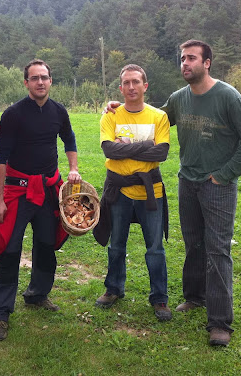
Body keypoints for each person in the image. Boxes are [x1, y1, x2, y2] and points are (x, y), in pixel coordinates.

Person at [106, 39, 241, 347]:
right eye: (182, 59)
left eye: (191, 58)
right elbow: (153, 118)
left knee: (217, 250)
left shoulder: (228, 96)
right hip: (187, 182)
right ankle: (194, 297)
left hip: (217, 185)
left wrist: (225, 174)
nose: (185, 64)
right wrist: (120, 108)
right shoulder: (180, 98)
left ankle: (220, 323)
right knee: (193, 243)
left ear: (207, 63)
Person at [0, 59, 82, 342]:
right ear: (26, 82)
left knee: (46, 243)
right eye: (35, 78)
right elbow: (1, 157)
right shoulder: (14, 114)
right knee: (9, 248)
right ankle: (0, 312)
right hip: (17, 191)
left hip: (48, 190)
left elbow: (69, 139)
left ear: (51, 81)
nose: (40, 82)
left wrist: (73, 168)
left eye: (45, 77)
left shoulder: (58, 111)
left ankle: (38, 294)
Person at [94, 64, 172, 322]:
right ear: (120, 88)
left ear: (145, 86)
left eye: (136, 82)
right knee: (116, 244)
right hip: (119, 190)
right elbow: (109, 150)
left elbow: (161, 152)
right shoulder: (111, 116)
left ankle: (159, 297)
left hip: (150, 191)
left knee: (155, 247)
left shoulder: (159, 116)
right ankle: (113, 289)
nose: (131, 87)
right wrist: (146, 145)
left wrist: (125, 147)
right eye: (126, 83)